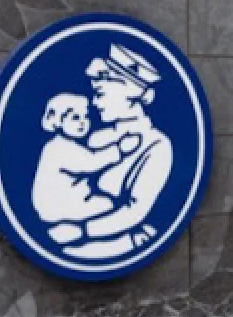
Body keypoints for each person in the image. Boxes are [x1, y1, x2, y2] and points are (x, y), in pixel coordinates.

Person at [46, 43, 174, 260]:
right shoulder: (96, 137)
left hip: (117, 242)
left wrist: (82, 231)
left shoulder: (157, 145)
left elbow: (135, 211)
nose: (95, 102)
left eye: (100, 93)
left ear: (129, 92)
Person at [33, 93, 141, 224]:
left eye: (86, 116)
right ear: (58, 121)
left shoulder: (66, 144)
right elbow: (91, 162)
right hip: (57, 206)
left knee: (106, 203)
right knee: (108, 205)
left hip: (67, 200)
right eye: (75, 117)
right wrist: (120, 149)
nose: (82, 122)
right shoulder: (59, 148)